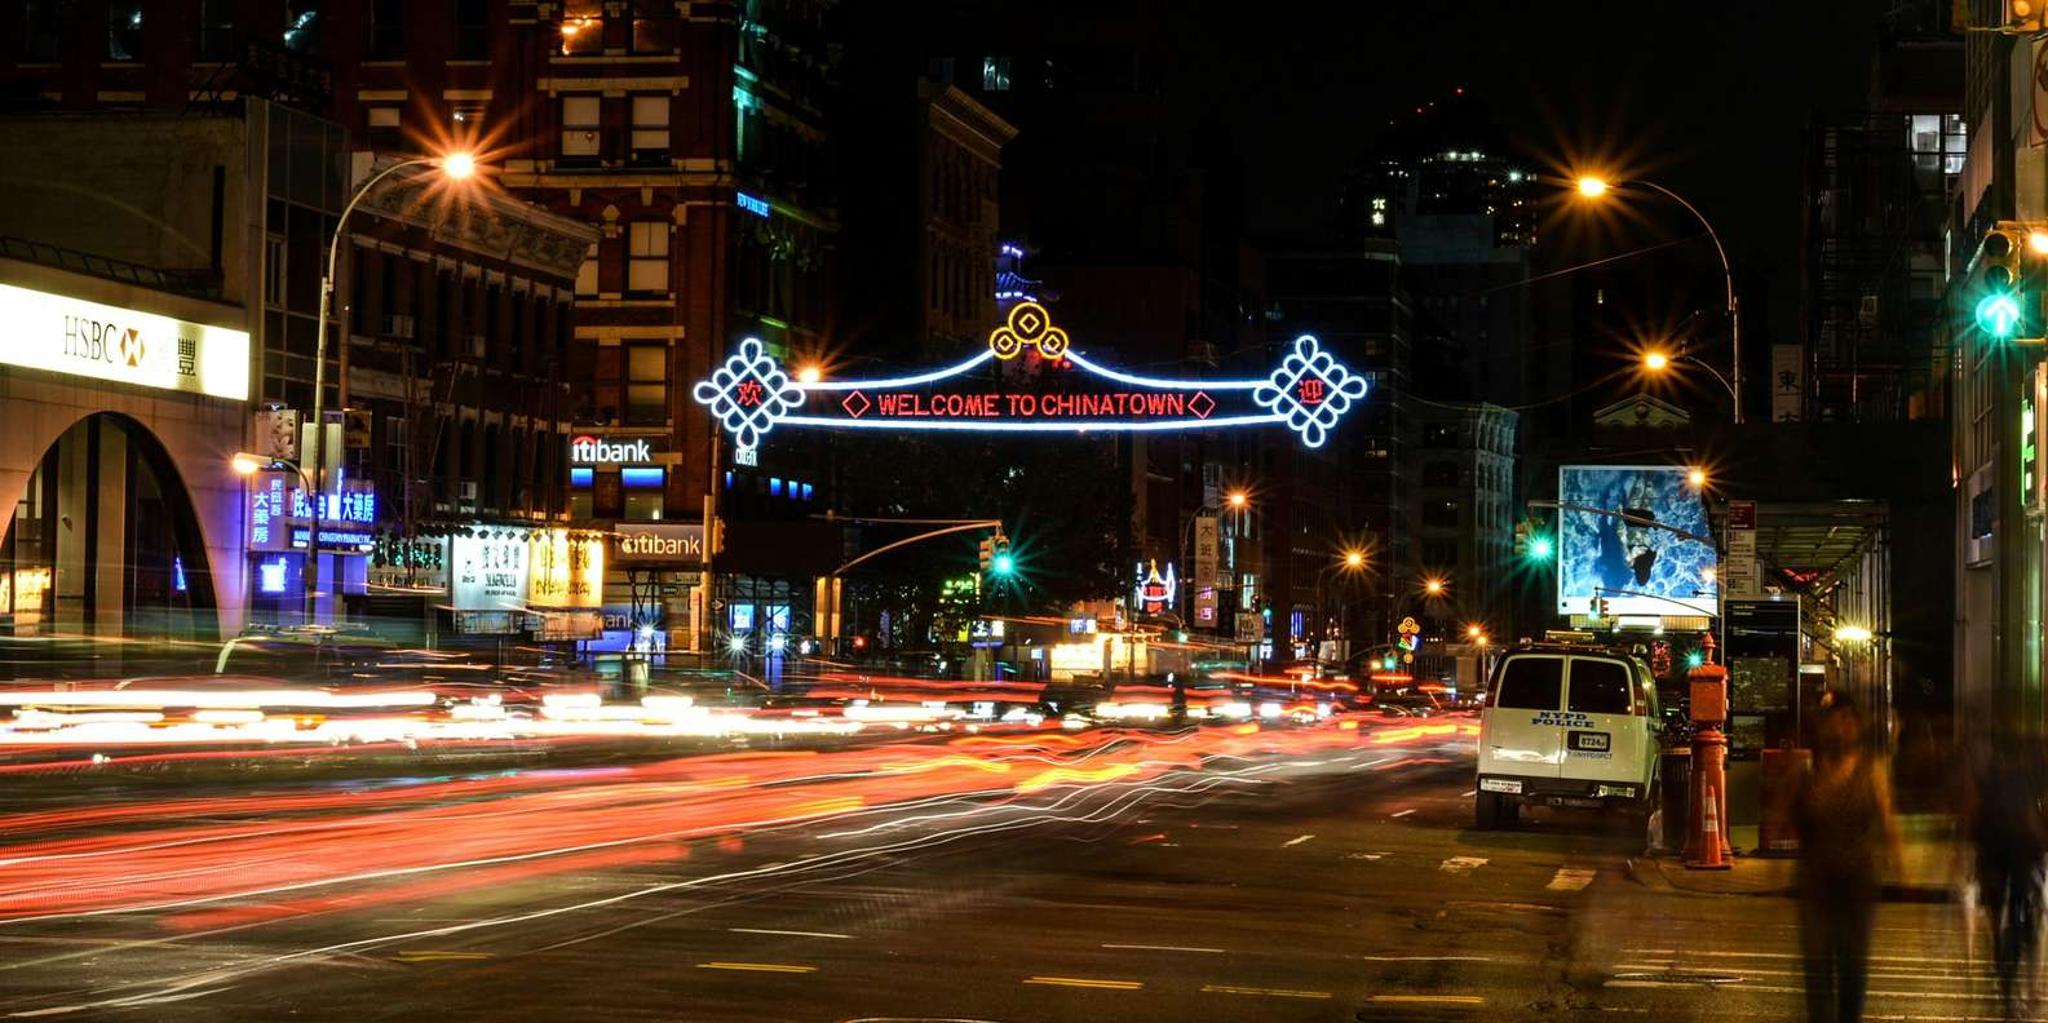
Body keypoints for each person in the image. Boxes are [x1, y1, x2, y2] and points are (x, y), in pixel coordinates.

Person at [1793, 700, 1903, 1023]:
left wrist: (1900, 865)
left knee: (1853, 963)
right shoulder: (1810, 770)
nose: (1841, 727)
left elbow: (1887, 819)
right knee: (1817, 964)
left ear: (1858, 726)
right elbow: (1790, 815)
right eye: (1834, 721)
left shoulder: (1871, 770)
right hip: (1817, 882)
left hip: (1858, 879)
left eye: (1847, 720)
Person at [1963, 728, 2048, 1018]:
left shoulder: (1988, 779)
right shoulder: (2024, 780)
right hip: (2019, 862)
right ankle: (2013, 981)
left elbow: (1974, 819)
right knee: (2021, 921)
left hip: (1993, 862)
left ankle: (2005, 982)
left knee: (1997, 920)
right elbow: (2030, 821)